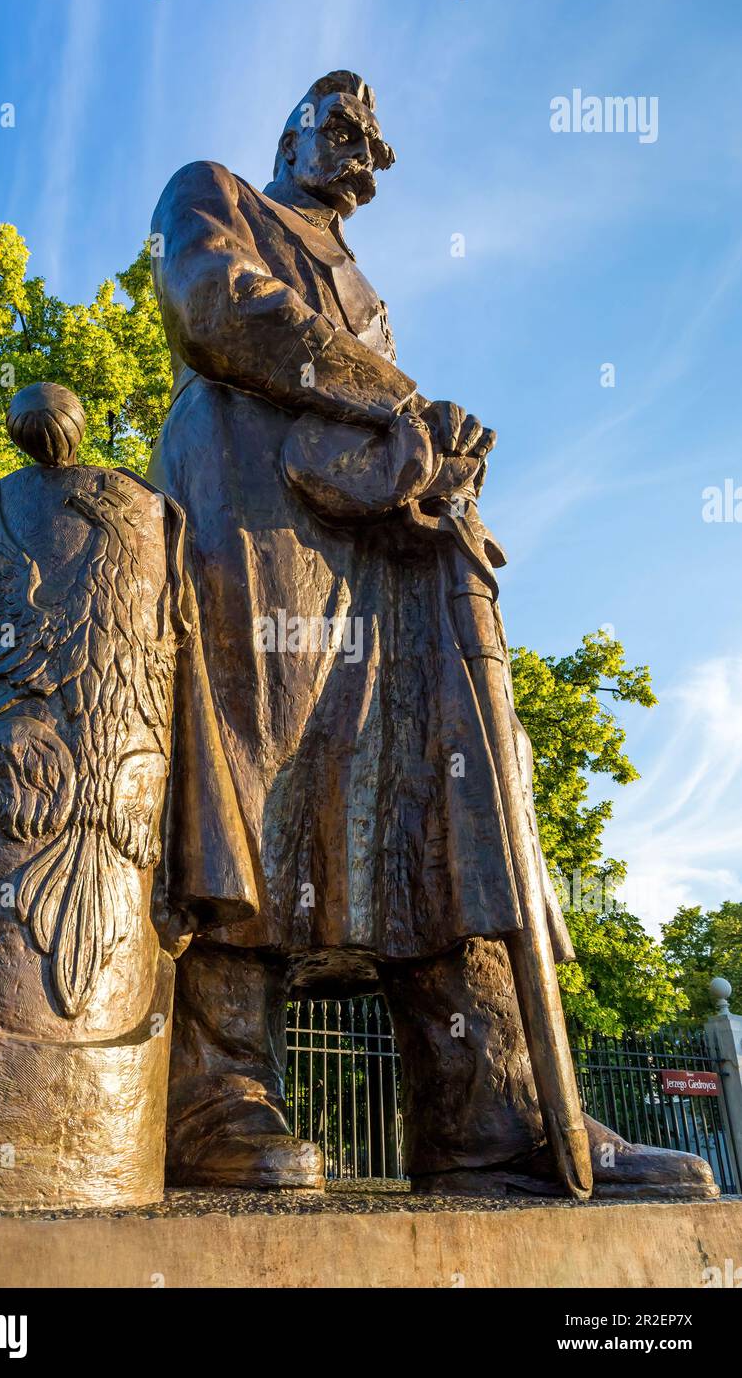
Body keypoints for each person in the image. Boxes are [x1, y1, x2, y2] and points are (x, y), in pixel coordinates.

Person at [147, 72, 716, 1199]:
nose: (361, 156)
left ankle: (488, 1114)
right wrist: (402, 399)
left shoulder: (365, 287)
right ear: (290, 133)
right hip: (246, 526)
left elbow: (371, 423)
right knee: (253, 784)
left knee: (434, 798)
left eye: (374, 147)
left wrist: (431, 462)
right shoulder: (212, 193)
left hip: (376, 556)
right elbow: (213, 305)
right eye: (343, 131)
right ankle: (214, 1093)